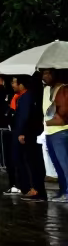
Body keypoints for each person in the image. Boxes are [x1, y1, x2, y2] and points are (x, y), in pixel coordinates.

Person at [12, 74, 46, 201]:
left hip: (28, 134)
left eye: (15, 82)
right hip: (30, 133)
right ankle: (36, 189)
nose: (13, 85)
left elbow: (24, 117)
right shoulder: (29, 96)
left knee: (31, 162)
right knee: (31, 161)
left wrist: (22, 132)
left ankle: (36, 189)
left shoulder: (26, 97)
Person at [40, 68, 68, 202]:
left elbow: (62, 117)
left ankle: (67, 192)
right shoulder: (47, 89)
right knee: (58, 165)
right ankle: (63, 191)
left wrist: (47, 121)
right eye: (43, 73)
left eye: (47, 73)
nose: (44, 76)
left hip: (60, 132)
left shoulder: (63, 89)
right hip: (50, 132)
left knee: (64, 164)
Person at [0, 75, 22, 195]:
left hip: (14, 130)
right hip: (7, 130)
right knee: (9, 159)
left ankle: (19, 184)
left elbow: (13, 113)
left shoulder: (14, 96)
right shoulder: (2, 95)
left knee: (16, 159)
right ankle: (13, 184)